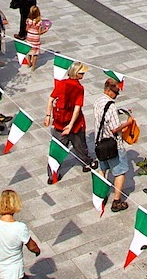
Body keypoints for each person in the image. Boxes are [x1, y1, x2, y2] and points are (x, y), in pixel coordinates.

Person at [91, 77, 133, 213]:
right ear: (109, 91)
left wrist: (119, 111)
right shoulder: (112, 106)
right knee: (120, 172)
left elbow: (104, 116)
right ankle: (116, 201)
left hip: (99, 143)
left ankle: (101, 195)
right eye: (116, 93)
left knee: (103, 169)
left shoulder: (98, 101)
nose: (117, 95)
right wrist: (128, 122)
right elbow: (115, 128)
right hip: (113, 145)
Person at [46, 61, 92, 174]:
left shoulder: (61, 83)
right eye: (82, 73)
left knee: (57, 149)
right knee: (79, 145)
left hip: (58, 123)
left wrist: (48, 116)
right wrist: (71, 125)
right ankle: (87, 163)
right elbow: (77, 108)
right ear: (76, 73)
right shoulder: (79, 88)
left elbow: (51, 99)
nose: (83, 75)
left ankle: (52, 174)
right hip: (74, 124)